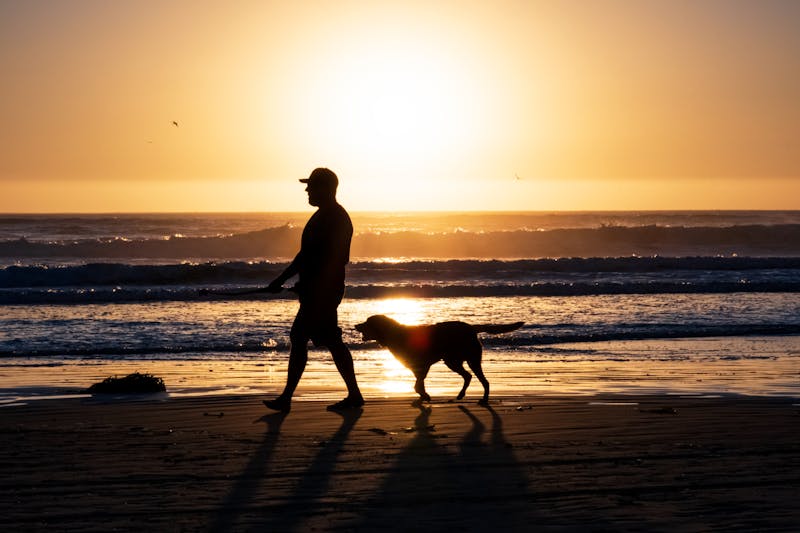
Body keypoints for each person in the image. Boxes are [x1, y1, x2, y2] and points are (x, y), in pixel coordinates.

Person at [263, 168, 364, 413]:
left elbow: (331, 259)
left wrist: (309, 284)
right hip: (320, 290)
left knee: (303, 338)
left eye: (311, 186)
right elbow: (306, 256)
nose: (307, 190)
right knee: (327, 340)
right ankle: (353, 395)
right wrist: (284, 280)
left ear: (325, 189)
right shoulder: (325, 215)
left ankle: (287, 399)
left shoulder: (334, 217)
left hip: (323, 292)